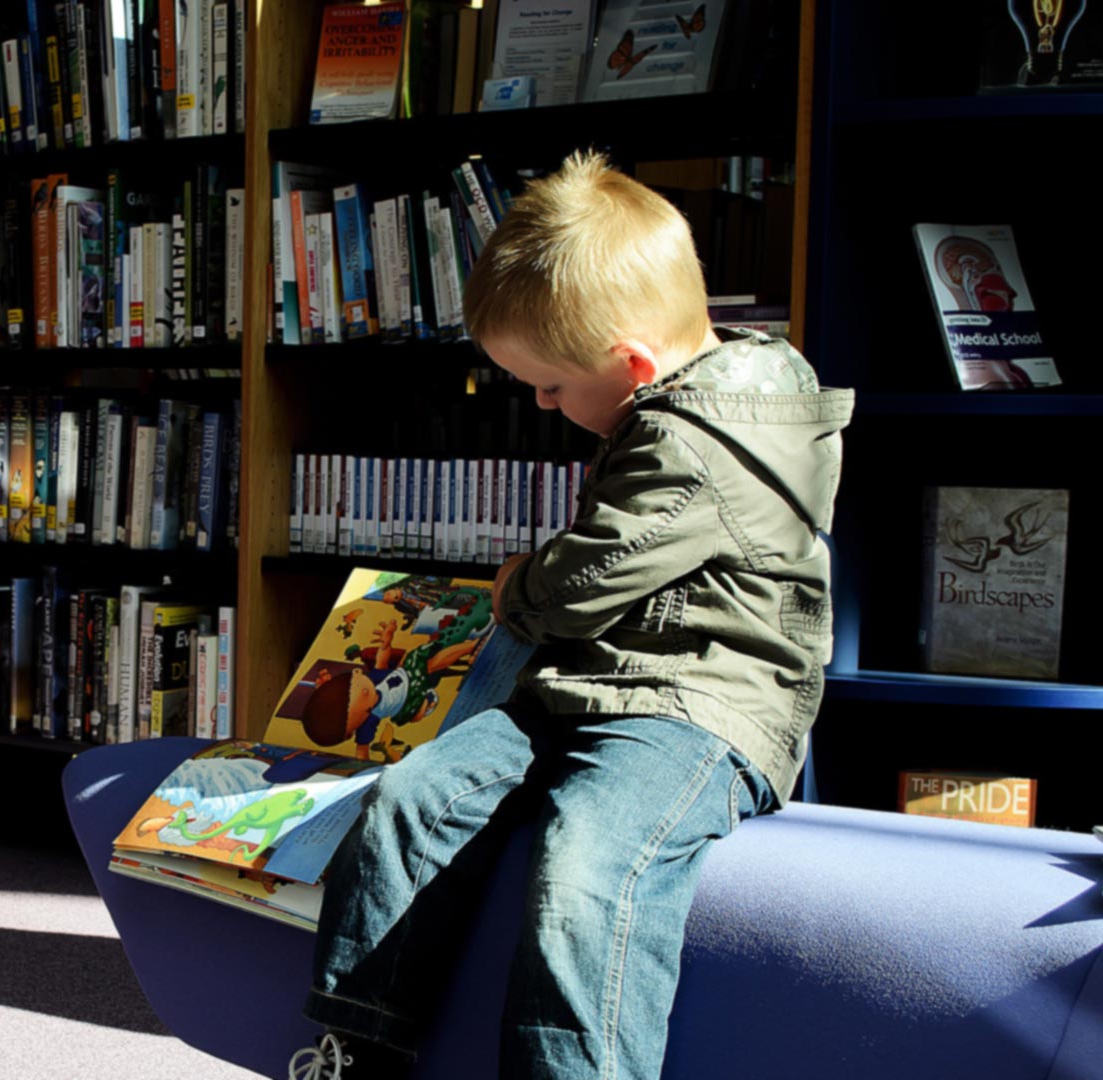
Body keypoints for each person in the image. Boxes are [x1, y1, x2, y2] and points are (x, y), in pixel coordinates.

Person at [288, 152, 854, 1080]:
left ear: (631, 366)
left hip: (695, 710)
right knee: (409, 801)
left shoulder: (704, 441)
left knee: (587, 865)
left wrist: (514, 587)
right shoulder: (666, 408)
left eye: (549, 387)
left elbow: (589, 579)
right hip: (584, 688)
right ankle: (359, 1044)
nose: (545, 406)